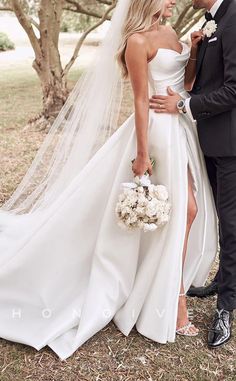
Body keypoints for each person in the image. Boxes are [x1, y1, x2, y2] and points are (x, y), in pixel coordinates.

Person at [0, 0, 217, 360]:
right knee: (183, 211)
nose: (173, 2)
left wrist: (192, 51)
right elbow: (139, 101)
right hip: (155, 134)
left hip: (180, 129)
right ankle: (174, 302)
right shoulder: (136, 41)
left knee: (185, 212)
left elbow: (186, 82)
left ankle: (162, 289)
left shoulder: (170, 31)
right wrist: (143, 155)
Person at [150, 0, 235, 348]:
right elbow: (205, 81)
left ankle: (226, 307)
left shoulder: (234, 16)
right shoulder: (212, 18)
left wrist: (184, 105)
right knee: (220, 217)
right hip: (210, 140)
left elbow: (234, 89)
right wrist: (197, 52)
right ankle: (224, 278)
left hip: (230, 142)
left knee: (231, 223)